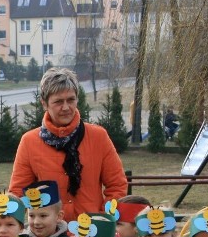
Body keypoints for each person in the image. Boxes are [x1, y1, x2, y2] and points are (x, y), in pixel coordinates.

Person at [9, 67, 128, 223]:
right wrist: (8, 226)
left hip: (92, 235)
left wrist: (103, 220)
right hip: (50, 235)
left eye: (71, 100)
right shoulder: (29, 142)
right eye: (58, 101)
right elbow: (18, 193)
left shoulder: (98, 137)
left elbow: (117, 186)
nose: (66, 107)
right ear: (44, 103)